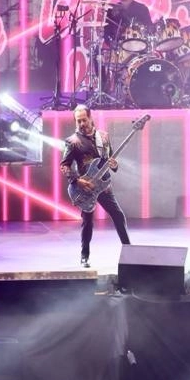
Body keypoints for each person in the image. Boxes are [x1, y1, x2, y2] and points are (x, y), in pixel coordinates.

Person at [60, 105, 131, 268]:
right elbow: (64, 165)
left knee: (118, 216)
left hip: (104, 185)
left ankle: (129, 252)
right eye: (78, 121)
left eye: (84, 120)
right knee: (88, 223)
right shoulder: (72, 142)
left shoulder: (104, 137)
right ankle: (84, 256)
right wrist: (77, 180)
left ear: (91, 118)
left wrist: (114, 165)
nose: (81, 124)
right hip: (86, 187)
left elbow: (110, 159)